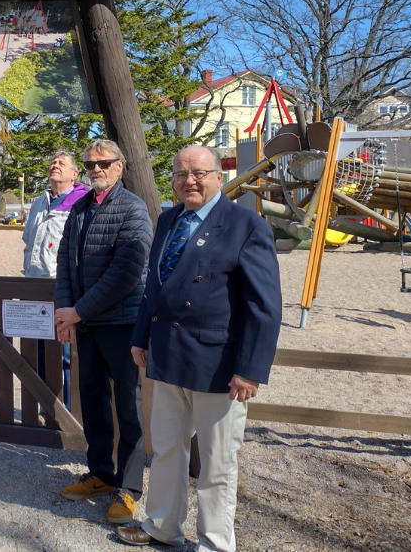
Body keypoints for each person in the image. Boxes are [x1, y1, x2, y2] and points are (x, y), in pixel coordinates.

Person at [118, 145, 282, 552]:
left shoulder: (246, 225)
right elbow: (152, 287)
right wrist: (141, 337)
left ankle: (214, 543)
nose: (189, 181)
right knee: (167, 451)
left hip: (219, 366)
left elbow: (264, 306)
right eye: (180, 174)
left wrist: (250, 369)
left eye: (199, 173)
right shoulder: (169, 218)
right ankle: (162, 527)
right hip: (168, 358)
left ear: (218, 176)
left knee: (217, 463)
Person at [54, 139, 152, 525]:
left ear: (119, 166)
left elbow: (125, 275)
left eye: (103, 163)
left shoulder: (133, 209)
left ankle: (129, 487)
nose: (95, 169)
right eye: (90, 164)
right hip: (87, 323)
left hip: (121, 323)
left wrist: (77, 311)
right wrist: (66, 311)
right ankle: (100, 473)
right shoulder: (79, 209)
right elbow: (65, 261)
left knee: (127, 406)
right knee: (92, 400)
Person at [21, 150, 89, 409]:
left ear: (74, 174)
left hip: (62, 289)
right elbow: (29, 240)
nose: (55, 166)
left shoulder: (81, 203)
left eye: (61, 163)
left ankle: (69, 410)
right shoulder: (40, 201)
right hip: (34, 285)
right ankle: (43, 404)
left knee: (65, 353)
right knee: (38, 348)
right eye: (52, 162)